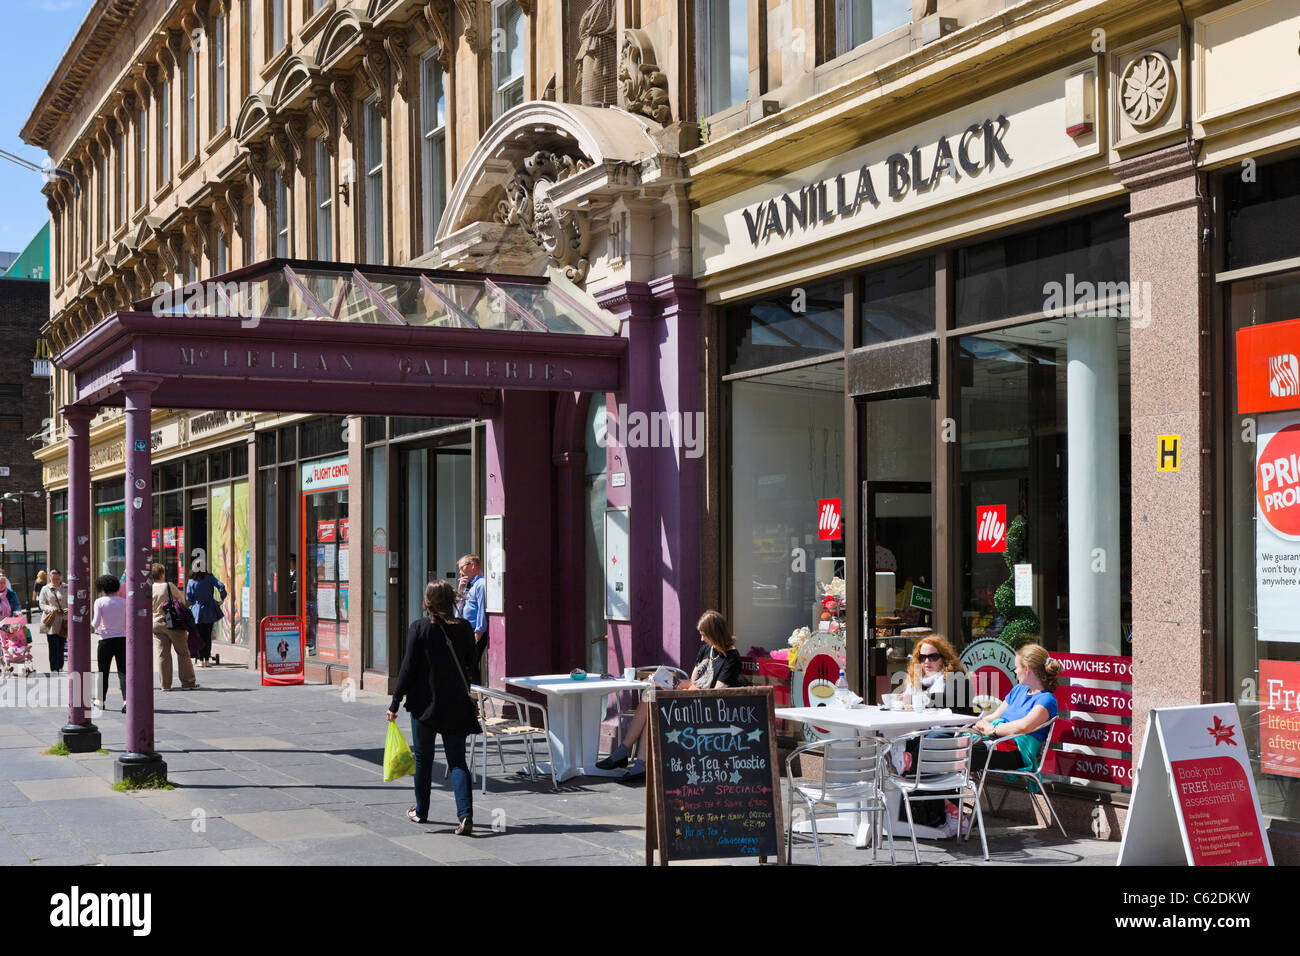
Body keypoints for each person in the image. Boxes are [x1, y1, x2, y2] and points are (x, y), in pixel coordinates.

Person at [596, 610, 742, 778]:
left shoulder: (731, 657)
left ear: (715, 634)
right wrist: (667, 683)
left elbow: (717, 693)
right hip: (689, 697)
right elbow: (692, 683)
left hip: (705, 708)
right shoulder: (705, 650)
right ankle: (636, 761)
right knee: (649, 697)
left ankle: (625, 755)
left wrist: (683, 691)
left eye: (704, 635)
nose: (702, 639)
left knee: (651, 701)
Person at [387, 580, 480, 834]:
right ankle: (465, 816)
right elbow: (473, 664)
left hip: (424, 706)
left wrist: (395, 702)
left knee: (423, 759)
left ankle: (421, 811)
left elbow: (407, 668)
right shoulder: (464, 628)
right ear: (451, 600)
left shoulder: (419, 628)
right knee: (457, 761)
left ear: (427, 601)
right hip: (456, 705)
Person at [972, 642, 1061, 774]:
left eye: (1016, 667)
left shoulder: (1047, 699)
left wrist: (993, 729)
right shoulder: (1018, 690)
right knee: (951, 743)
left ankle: (948, 792)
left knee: (964, 752)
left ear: (1027, 669)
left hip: (1018, 752)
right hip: (997, 742)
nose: (1015, 671)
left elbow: (1024, 726)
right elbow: (995, 716)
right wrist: (974, 724)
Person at [151, 563, 198, 691]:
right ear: (162, 574)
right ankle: (188, 682)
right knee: (183, 652)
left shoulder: (149, 588)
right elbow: (181, 600)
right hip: (173, 623)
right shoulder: (168, 586)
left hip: (156, 623)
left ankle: (165, 685)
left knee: (163, 654)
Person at [898, 636, 974, 714]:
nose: (926, 661)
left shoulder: (956, 675)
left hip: (955, 725)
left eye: (932, 657)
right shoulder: (919, 679)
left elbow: (950, 699)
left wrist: (917, 699)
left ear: (944, 658)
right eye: (922, 657)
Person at [90, 575, 127, 713]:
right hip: (122, 639)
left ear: (102, 588)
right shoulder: (124, 602)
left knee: (102, 672)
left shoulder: (99, 602)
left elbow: (96, 623)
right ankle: (126, 701)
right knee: (123, 672)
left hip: (105, 640)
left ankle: (100, 701)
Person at [184, 562, 227, 668]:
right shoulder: (210, 578)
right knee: (207, 636)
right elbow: (221, 586)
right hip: (210, 609)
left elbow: (188, 597)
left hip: (197, 611)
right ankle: (207, 660)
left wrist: (195, 600)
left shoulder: (191, 581)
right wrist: (222, 599)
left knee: (198, 635)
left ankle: (200, 660)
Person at [457, 554, 487, 682]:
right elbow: (457, 613)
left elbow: (482, 612)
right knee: (467, 666)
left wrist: (477, 636)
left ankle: (474, 698)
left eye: (462, 567)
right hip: (466, 630)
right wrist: (460, 591)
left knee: (469, 667)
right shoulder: (471, 585)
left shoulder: (481, 584)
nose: (460, 572)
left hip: (475, 631)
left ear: (473, 565)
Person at [37, 569, 67, 674]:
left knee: (61, 644)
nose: (55, 580)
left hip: (63, 620)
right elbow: (41, 604)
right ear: (50, 578)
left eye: (57, 578)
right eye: (53, 578)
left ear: (61, 578)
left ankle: (60, 666)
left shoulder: (66, 587)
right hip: (51, 620)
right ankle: (54, 668)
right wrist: (50, 608)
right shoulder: (45, 589)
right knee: (53, 645)